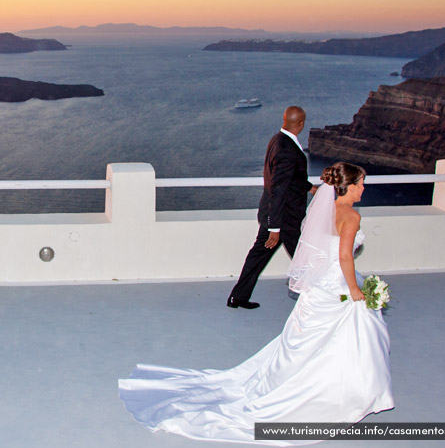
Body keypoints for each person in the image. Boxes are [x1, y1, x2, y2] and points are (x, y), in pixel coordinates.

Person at [118, 162, 394, 445]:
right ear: (348, 185)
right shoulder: (351, 217)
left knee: (309, 344)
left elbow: (318, 251)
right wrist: (354, 290)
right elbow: (345, 258)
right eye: (361, 182)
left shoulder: (324, 211)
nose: (363, 188)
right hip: (337, 287)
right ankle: (348, 395)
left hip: (318, 288)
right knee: (351, 338)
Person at [228, 106, 314, 309]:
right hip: (283, 218)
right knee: (303, 258)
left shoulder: (278, 140)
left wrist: (309, 187)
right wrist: (274, 227)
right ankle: (319, 301)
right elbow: (278, 188)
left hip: (276, 215)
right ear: (301, 124)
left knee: (259, 255)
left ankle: (237, 297)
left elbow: (288, 179)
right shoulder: (286, 148)